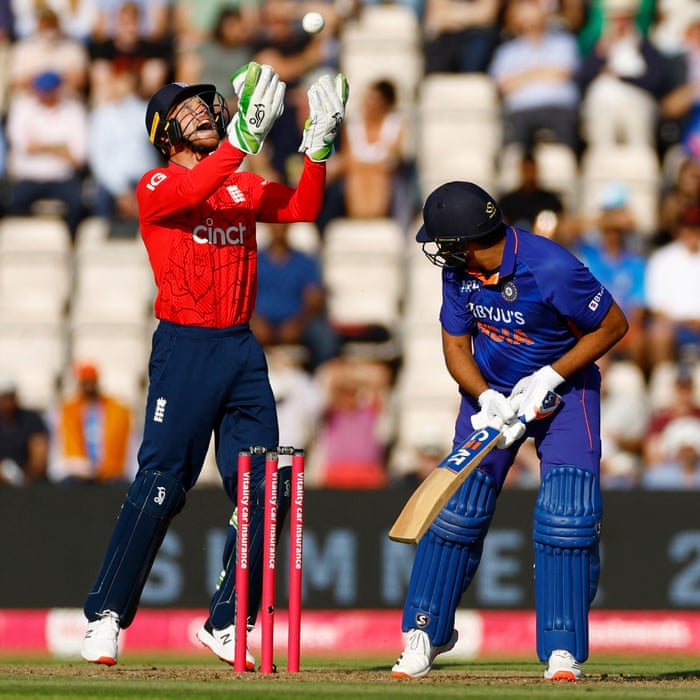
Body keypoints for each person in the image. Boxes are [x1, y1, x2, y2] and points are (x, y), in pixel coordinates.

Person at [80, 61, 348, 667]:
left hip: (240, 349)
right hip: (185, 346)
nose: (202, 109)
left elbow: (304, 208)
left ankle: (229, 620)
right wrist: (241, 145)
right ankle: (104, 618)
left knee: (268, 489)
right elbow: (191, 192)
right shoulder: (155, 186)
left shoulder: (242, 184)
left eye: (206, 102)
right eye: (186, 109)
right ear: (164, 134)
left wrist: (319, 147)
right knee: (161, 484)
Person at [391, 181, 628, 681]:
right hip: (493, 399)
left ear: (471, 239)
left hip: (565, 393)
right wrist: (486, 398)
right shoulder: (460, 275)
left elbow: (612, 325)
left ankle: (562, 650)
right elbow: (456, 349)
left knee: (568, 515)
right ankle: (424, 634)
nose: (441, 253)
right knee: (457, 511)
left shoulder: (551, 267)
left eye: (447, 243)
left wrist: (550, 376)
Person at [487, 0, 581, 153]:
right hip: (521, 112)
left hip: (559, 109)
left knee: (566, 148)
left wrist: (522, 76)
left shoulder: (564, 42)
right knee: (515, 151)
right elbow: (503, 85)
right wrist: (541, 72)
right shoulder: (507, 51)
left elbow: (563, 73)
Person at [251, 221, 340, 371]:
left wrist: (298, 324)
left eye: (283, 223)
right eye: (275, 223)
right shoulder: (253, 260)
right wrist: (254, 321)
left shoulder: (304, 262)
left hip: (298, 322)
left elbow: (314, 299)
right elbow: (240, 297)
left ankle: (318, 380)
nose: (279, 227)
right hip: (258, 322)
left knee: (325, 337)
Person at [49, 362, 135, 484]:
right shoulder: (68, 410)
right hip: (78, 474)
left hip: (111, 474)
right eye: (85, 381)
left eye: (91, 380)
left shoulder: (116, 409)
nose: (88, 385)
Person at [0, 377, 49, 486]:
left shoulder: (31, 419)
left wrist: (18, 476)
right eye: (4, 397)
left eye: (11, 396)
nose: (8, 402)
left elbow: (39, 461)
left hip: (31, 486)